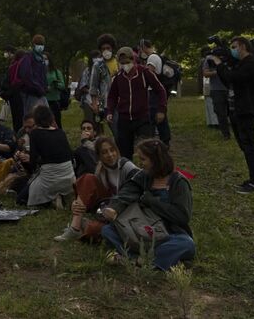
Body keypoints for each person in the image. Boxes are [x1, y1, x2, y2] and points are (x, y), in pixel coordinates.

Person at [99, 139, 195, 271]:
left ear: (155, 160)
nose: (140, 164)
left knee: (186, 244)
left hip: (168, 234)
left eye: (143, 159)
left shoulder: (178, 182)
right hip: (141, 228)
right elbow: (128, 191)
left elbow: (182, 216)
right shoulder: (144, 176)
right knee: (107, 230)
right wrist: (114, 208)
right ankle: (140, 259)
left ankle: (138, 259)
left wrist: (152, 201)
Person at [54, 136, 139, 242]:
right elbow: (91, 196)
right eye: (104, 152)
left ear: (117, 150)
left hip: (123, 211)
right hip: (105, 208)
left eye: (112, 150)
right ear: (99, 156)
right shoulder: (101, 170)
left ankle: (84, 224)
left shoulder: (127, 167)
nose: (110, 155)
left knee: (93, 230)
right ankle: (75, 227)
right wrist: (75, 203)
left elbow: (136, 192)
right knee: (88, 178)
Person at [210, 36, 254, 194]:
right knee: (243, 144)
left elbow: (234, 78)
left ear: (243, 46)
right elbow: (229, 81)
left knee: (249, 145)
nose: (232, 50)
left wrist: (220, 65)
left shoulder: (251, 64)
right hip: (236, 109)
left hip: (246, 109)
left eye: (234, 47)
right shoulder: (240, 64)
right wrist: (224, 64)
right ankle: (252, 178)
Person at [106, 47, 165, 162]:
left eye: (127, 62)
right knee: (125, 153)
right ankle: (129, 175)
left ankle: (151, 172)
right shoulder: (118, 77)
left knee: (148, 149)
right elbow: (112, 96)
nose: (125, 65)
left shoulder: (144, 73)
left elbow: (160, 90)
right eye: (122, 63)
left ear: (133, 60)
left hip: (142, 118)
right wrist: (109, 112)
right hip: (124, 119)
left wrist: (161, 109)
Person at [25, 105, 75, 208]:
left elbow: (33, 160)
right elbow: (69, 155)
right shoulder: (61, 132)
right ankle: (61, 197)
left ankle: (52, 199)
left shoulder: (35, 134)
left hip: (49, 177)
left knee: (24, 195)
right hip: (68, 176)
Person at [139, 39, 171, 145]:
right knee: (160, 116)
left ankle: (159, 141)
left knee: (154, 117)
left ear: (143, 47)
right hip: (157, 92)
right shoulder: (157, 56)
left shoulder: (152, 57)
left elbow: (149, 73)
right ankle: (164, 140)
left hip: (153, 92)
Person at [90, 34, 119, 132]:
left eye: (108, 48)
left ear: (112, 48)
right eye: (103, 49)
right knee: (116, 132)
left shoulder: (119, 61)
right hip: (108, 103)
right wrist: (95, 104)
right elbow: (93, 86)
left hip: (123, 101)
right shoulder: (97, 65)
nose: (106, 50)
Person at [202, 47, 231, 139]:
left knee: (232, 112)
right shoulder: (209, 59)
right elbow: (205, 73)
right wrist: (219, 71)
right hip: (216, 89)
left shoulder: (229, 57)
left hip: (230, 88)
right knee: (220, 112)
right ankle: (225, 134)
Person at [16, 35, 49, 116]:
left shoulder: (41, 58)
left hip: (41, 93)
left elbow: (43, 76)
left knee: (46, 116)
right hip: (31, 93)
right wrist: (38, 88)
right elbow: (26, 76)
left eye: (42, 44)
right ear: (33, 45)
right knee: (32, 116)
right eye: (38, 44)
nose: (40, 46)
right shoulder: (28, 57)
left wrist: (45, 87)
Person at [0, 48, 26, 133]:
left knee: (16, 118)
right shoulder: (20, 67)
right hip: (19, 94)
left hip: (13, 96)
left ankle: (17, 133)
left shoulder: (12, 66)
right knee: (21, 117)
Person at [77, 51, 101, 125]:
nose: (97, 59)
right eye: (95, 57)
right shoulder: (87, 71)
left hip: (100, 100)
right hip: (88, 100)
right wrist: (92, 91)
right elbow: (82, 87)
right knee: (89, 121)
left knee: (99, 121)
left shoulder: (103, 70)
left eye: (99, 57)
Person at [45, 53, 67, 128]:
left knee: (56, 121)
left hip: (55, 100)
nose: (44, 61)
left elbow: (63, 86)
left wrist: (56, 84)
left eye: (46, 59)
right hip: (44, 100)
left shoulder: (56, 72)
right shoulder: (39, 72)